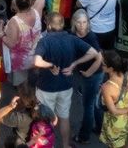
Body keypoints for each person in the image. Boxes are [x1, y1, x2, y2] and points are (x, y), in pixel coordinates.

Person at [32, 10, 103, 148]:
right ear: (63, 24)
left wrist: (51, 65)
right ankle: (65, 145)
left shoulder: (44, 41)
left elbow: (36, 61)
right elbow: (94, 53)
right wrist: (74, 64)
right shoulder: (72, 39)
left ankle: (48, 145)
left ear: (49, 26)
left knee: (45, 120)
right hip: (66, 86)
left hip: (46, 87)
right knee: (64, 118)